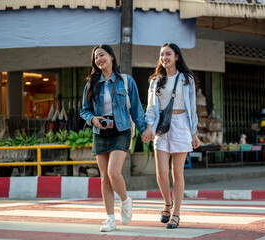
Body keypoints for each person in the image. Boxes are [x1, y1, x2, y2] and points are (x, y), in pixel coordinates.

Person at [80, 44, 153, 232]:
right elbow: (84, 110)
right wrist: (92, 119)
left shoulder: (126, 81)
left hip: (121, 129)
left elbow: (136, 109)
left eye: (102, 55)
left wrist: (144, 130)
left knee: (113, 172)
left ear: (111, 57)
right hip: (100, 132)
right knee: (104, 177)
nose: (99, 59)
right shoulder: (91, 84)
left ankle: (125, 201)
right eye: (96, 57)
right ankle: (110, 219)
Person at [144, 43, 201, 229]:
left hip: (182, 125)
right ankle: (167, 204)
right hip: (162, 127)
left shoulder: (186, 79)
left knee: (177, 172)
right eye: (162, 54)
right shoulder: (155, 80)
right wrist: (149, 127)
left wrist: (194, 132)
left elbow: (192, 108)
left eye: (168, 54)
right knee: (161, 171)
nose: (164, 57)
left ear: (177, 56)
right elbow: (151, 107)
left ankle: (176, 213)